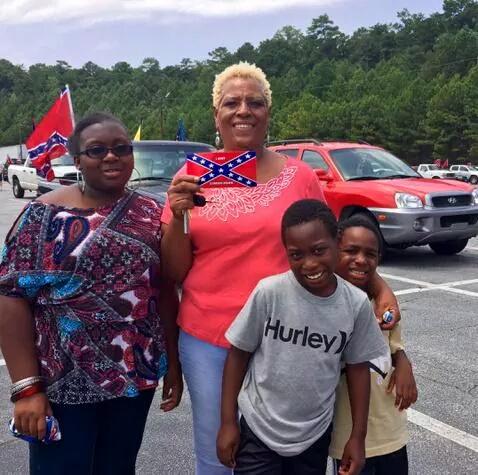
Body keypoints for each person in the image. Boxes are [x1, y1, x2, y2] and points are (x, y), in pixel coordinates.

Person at [161, 62, 399, 475]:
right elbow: (175, 271)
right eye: (231, 103)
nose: (243, 110)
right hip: (211, 336)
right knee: (218, 455)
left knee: (285, 455)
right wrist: (180, 214)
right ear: (215, 114)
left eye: (255, 102)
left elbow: (332, 249)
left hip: (290, 339)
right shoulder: (189, 178)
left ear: (268, 112)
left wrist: (378, 287)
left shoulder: (299, 176)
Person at [0, 112, 183, 475]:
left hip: (134, 381)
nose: (111, 156)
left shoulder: (152, 212)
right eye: (97, 150)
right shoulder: (43, 215)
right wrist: (26, 388)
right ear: (78, 159)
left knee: (118, 468)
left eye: (121, 148)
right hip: (60, 386)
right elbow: (10, 297)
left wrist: (173, 365)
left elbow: (163, 289)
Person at [217, 199, 388, 474]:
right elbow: (238, 354)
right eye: (296, 255)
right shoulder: (269, 293)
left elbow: (358, 369)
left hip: (313, 435)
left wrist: (357, 437)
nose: (309, 264)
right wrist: (227, 422)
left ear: (337, 242)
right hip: (258, 427)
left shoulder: (355, 304)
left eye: (319, 250)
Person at [329, 215, 418, 475]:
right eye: (351, 250)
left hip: (391, 432)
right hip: (347, 437)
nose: (360, 259)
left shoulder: (382, 305)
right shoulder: (325, 305)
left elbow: (393, 345)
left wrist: (402, 359)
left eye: (370, 253)